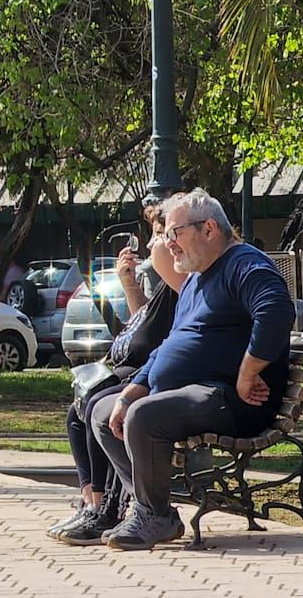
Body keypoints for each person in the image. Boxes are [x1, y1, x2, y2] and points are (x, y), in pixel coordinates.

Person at [91, 188, 295, 551]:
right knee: (104, 410)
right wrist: (131, 390)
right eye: (166, 234)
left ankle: (150, 515)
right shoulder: (196, 277)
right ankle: (155, 512)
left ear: (209, 228)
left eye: (174, 233)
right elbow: (169, 345)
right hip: (190, 394)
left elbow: (277, 313)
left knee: (144, 415)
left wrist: (247, 372)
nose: (168, 244)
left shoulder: (245, 265)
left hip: (231, 398)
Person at [50, 205, 188, 545]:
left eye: (163, 232)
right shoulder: (168, 285)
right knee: (81, 410)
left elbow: (161, 337)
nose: (156, 242)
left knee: (102, 406)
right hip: (136, 372)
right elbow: (145, 321)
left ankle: (114, 506)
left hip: (152, 377)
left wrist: (158, 251)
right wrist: (128, 281)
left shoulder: (184, 278)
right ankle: (93, 502)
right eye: (157, 233)